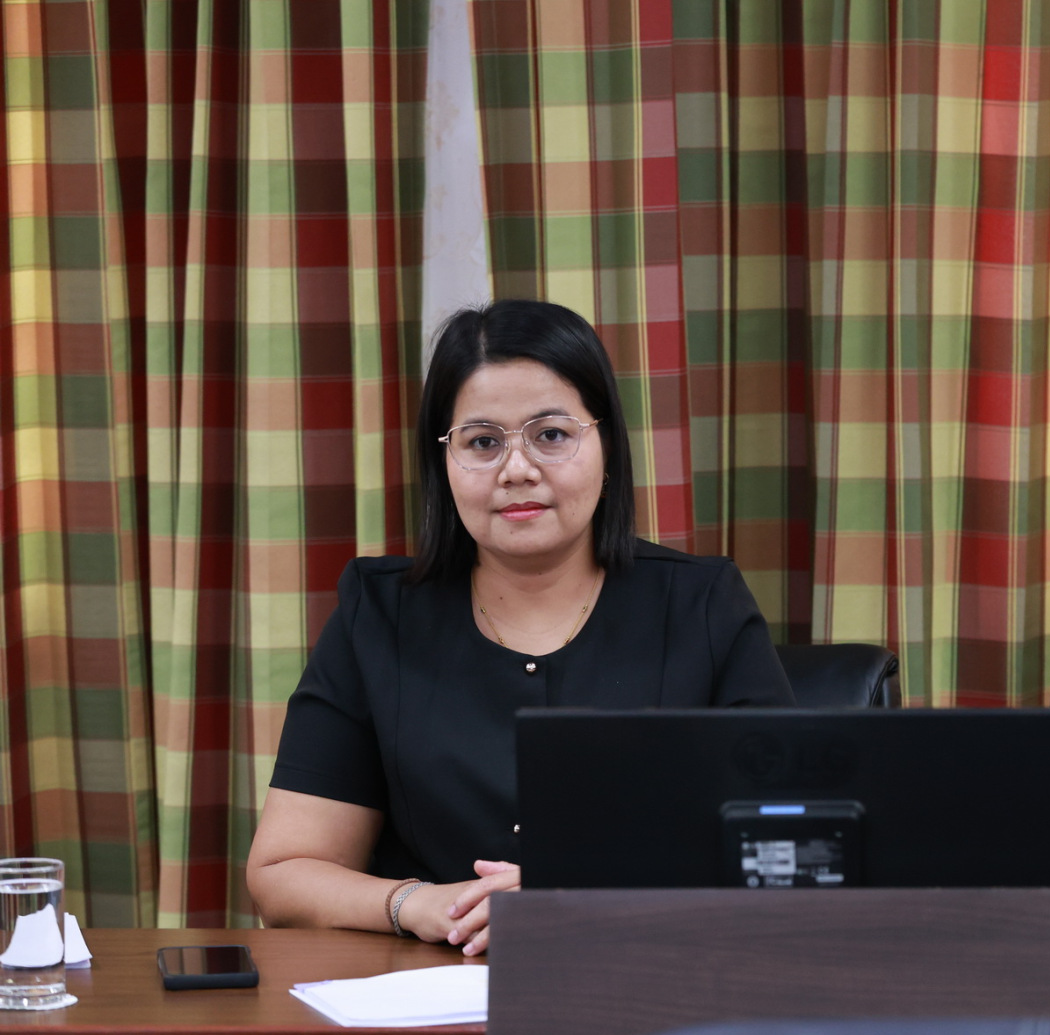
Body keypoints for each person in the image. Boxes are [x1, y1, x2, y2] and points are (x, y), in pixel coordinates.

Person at [247, 300, 794, 954]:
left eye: (551, 435)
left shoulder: (702, 605)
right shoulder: (379, 615)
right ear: (444, 463)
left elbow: (784, 846)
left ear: (607, 447)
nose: (517, 470)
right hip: (430, 987)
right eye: (482, 442)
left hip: (644, 975)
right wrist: (419, 903)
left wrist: (584, 892)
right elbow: (284, 874)